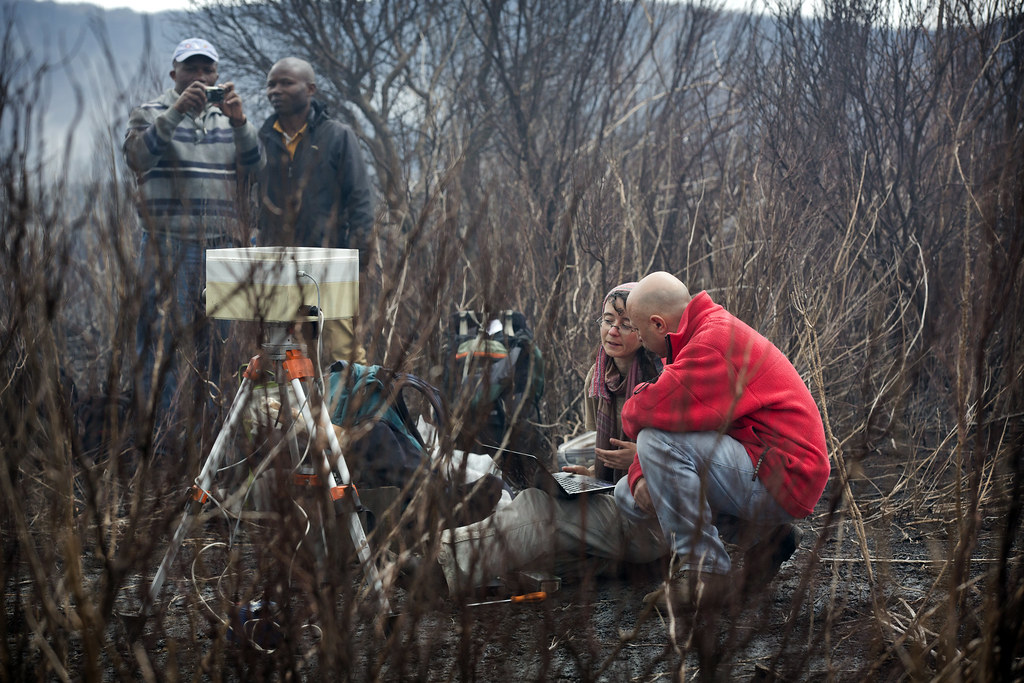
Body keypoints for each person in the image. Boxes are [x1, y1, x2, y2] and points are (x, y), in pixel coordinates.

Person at [615, 271, 830, 610]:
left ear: (658, 324)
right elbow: (671, 421)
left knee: (655, 443)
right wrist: (640, 473)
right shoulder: (695, 335)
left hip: (786, 474)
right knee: (627, 494)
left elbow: (642, 415)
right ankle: (765, 538)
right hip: (760, 461)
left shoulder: (711, 344)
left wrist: (638, 402)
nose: (640, 341)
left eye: (640, 333)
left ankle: (705, 574)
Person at [434, 283, 668, 595]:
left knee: (537, 510)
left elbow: (685, 466)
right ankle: (629, 566)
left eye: (625, 324)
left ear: (643, 329)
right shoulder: (599, 377)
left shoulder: (663, 382)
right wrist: (590, 476)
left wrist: (640, 459)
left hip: (651, 520)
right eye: (608, 320)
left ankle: (439, 566)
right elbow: (604, 460)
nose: (613, 331)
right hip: (615, 503)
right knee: (535, 551)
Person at [124, 37, 263, 448]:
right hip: (169, 245)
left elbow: (258, 169)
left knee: (222, 348)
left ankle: (213, 446)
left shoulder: (230, 118)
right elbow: (137, 159)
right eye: (191, 69)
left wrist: (240, 123)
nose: (200, 77)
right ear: (175, 74)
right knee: (161, 346)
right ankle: (159, 444)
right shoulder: (150, 112)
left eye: (208, 69)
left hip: (224, 248)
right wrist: (176, 113)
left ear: (218, 75)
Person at [257, 57, 374, 367]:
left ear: (310, 89)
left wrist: (360, 259)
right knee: (282, 356)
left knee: (343, 356)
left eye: (286, 83)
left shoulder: (337, 135)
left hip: (330, 263)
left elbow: (360, 200)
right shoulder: (262, 139)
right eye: (271, 84)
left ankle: (356, 402)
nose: (276, 90)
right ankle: (299, 403)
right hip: (277, 266)